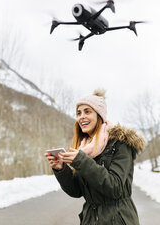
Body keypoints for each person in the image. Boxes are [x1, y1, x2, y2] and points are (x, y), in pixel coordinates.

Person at [45, 90, 145, 225]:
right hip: (90, 219)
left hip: (118, 219)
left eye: (87, 111)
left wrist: (81, 161)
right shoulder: (84, 148)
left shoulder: (120, 144)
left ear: (99, 115)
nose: (81, 117)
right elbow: (77, 191)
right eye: (79, 113)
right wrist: (61, 169)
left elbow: (115, 188)